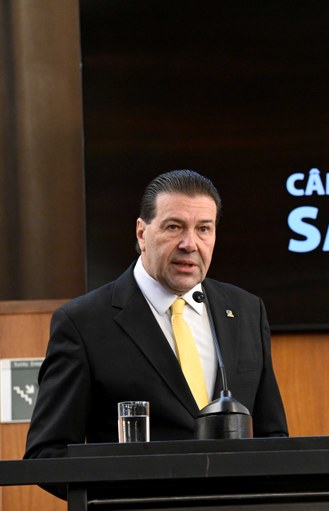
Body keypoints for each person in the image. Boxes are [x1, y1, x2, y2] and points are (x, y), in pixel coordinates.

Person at [24, 170, 288, 482]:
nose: (190, 244)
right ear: (141, 233)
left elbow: (273, 438)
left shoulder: (246, 310)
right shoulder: (83, 323)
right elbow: (47, 454)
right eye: (174, 227)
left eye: (204, 229)